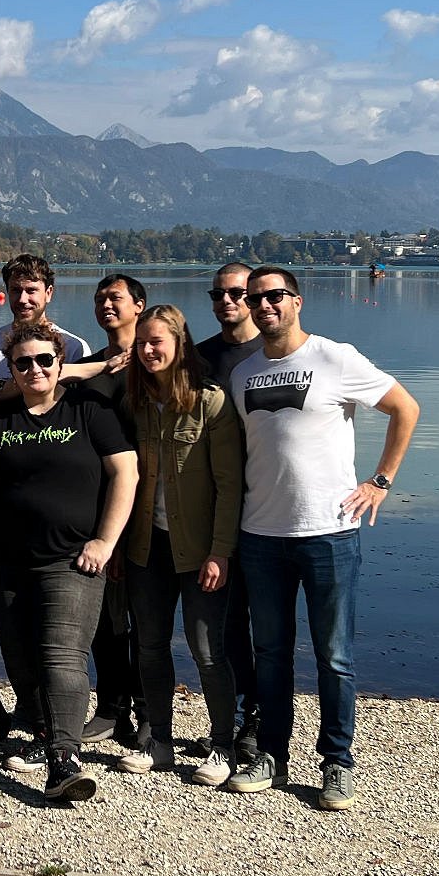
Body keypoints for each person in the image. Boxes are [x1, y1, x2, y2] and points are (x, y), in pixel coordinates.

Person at [226, 266, 420, 811]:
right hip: (261, 533)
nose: (264, 305)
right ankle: (271, 754)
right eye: (254, 298)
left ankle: (337, 762)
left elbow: (405, 408)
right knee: (271, 653)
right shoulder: (242, 374)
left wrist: (380, 482)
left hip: (328, 533)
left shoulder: (335, 357)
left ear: (297, 301)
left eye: (274, 296)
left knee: (334, 656)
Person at [0, 323, 137, 804]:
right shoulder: (0, 414)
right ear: (11, 368)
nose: (34, 369)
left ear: (61, 363)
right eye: (23, 362)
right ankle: (43, 734)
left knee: (62, 656)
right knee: (21, 660)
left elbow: (126, 472)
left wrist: (105, 541)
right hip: (5, 560)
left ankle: (63, 758)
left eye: (44, 360)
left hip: (71, 559)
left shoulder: (88, 408)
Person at [117, 305, 244, 787]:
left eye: (157, 341)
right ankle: (160, 741)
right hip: (146, 546)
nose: (148, 351)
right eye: (141, 343)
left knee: (207, 651)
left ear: (179, 343)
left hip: (199, 548)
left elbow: (229, 486)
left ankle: (222, 745)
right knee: (150, 646)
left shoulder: (210, 402)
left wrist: (220, 551)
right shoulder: (134, 403)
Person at [195, 261, 266, 761]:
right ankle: (240, 716)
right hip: (217, 507)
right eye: (218, 294)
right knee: (227, 623)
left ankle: (261, 717)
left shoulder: (274, 353)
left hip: (265, 505)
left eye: (237, 293)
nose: (227, 301)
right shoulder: (200, 358)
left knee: (266, 624)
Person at [74, 273, 147, 749]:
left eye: (115, 298)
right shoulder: (91, 365)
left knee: (145, 619)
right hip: (100, 506)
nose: (105, 305)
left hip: (146, 505)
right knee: (105, 617)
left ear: (139, 305)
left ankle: (147, 711)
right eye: (99, 298)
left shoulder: (156, 360)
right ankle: (112, 707)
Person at [0, 254, 91, 382]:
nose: (22, 299)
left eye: (31, 291)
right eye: (16, 290)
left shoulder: (74, 348)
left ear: (48, 293)